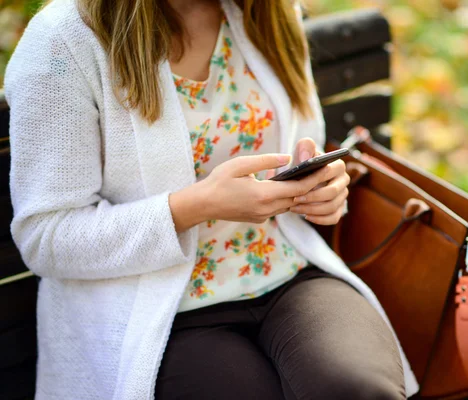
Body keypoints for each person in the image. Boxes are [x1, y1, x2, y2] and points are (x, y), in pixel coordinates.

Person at [4, 0, 419, 398]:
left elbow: (301, 147)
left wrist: (324, 191)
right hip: (157, 311)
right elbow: (47, 236)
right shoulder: (64, 40)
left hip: (286, 274)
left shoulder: (267, 12)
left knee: (360, 389)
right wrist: (196, 205)